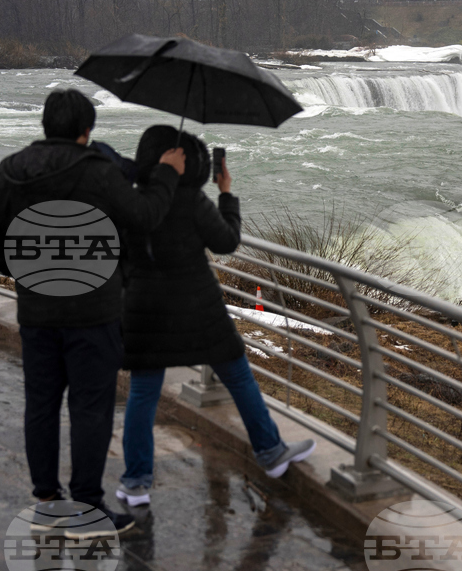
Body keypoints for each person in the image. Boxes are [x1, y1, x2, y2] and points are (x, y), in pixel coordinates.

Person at [0, 89, 186, 535]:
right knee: (91, 408)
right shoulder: (100, 173)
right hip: (94, 312)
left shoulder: (7, 171)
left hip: (37, 313)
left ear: (46, 125)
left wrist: (29, 270)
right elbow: (145, 216)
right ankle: (87, 506)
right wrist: (167, 174)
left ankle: (48, 501)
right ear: (87, 131)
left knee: (41, 405)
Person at [117, 125, 314, 507]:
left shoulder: (134, 200)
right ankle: (270, 452)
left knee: (143, 394)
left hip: (145, 309)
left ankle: (136, 481)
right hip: (198, 306)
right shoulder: (192, 200)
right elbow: (226, 242)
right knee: (238, 376)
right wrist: (226, 194)